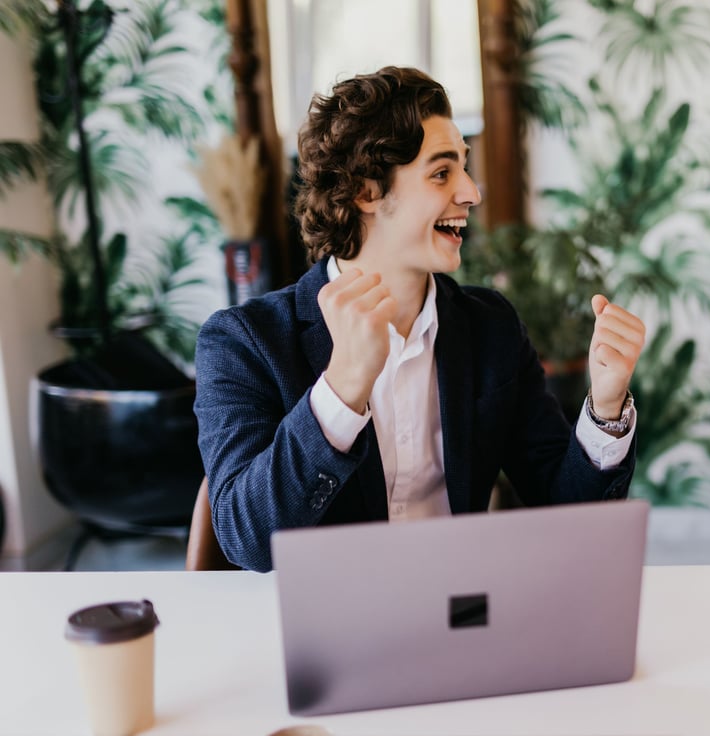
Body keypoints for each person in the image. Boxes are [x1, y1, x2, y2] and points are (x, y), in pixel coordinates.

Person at [194, 67, 646, 572]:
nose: (471, 192)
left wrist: (606, 408)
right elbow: (246, 540)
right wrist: (342, 388)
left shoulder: (490, 326)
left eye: (465, 169)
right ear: (367, 190)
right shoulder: (243, 341)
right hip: (328, 627)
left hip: (464, 617)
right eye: (441, 173)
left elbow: (569, 517)